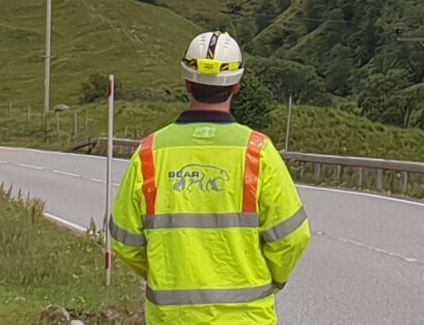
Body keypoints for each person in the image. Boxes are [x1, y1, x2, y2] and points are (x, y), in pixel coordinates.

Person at [109, 32, 311, 323]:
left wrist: (165, 274)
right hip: (247, 317)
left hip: (172, 318)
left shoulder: (150, 152)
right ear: (237, 86)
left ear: (187, 84)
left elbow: (125, 241)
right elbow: (293, 237)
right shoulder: (258, 152)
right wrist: (272, 279)